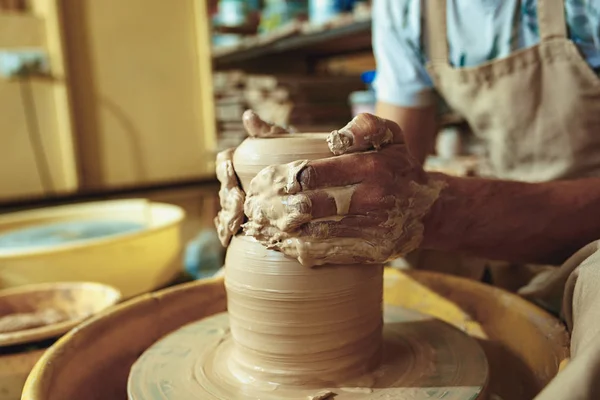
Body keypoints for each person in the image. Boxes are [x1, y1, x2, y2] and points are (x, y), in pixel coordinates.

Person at [215, 110, 600, 400]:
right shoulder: (406, 9)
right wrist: (304, 168)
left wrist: (439, 209)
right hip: (472, 215)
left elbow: (414, 196)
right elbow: (382, 159)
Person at [370, 0, 600, 289]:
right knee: (379, 242)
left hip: (589, 229)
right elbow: (387, 170)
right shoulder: (405, 7)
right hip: (511, 212)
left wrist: (444, 210)